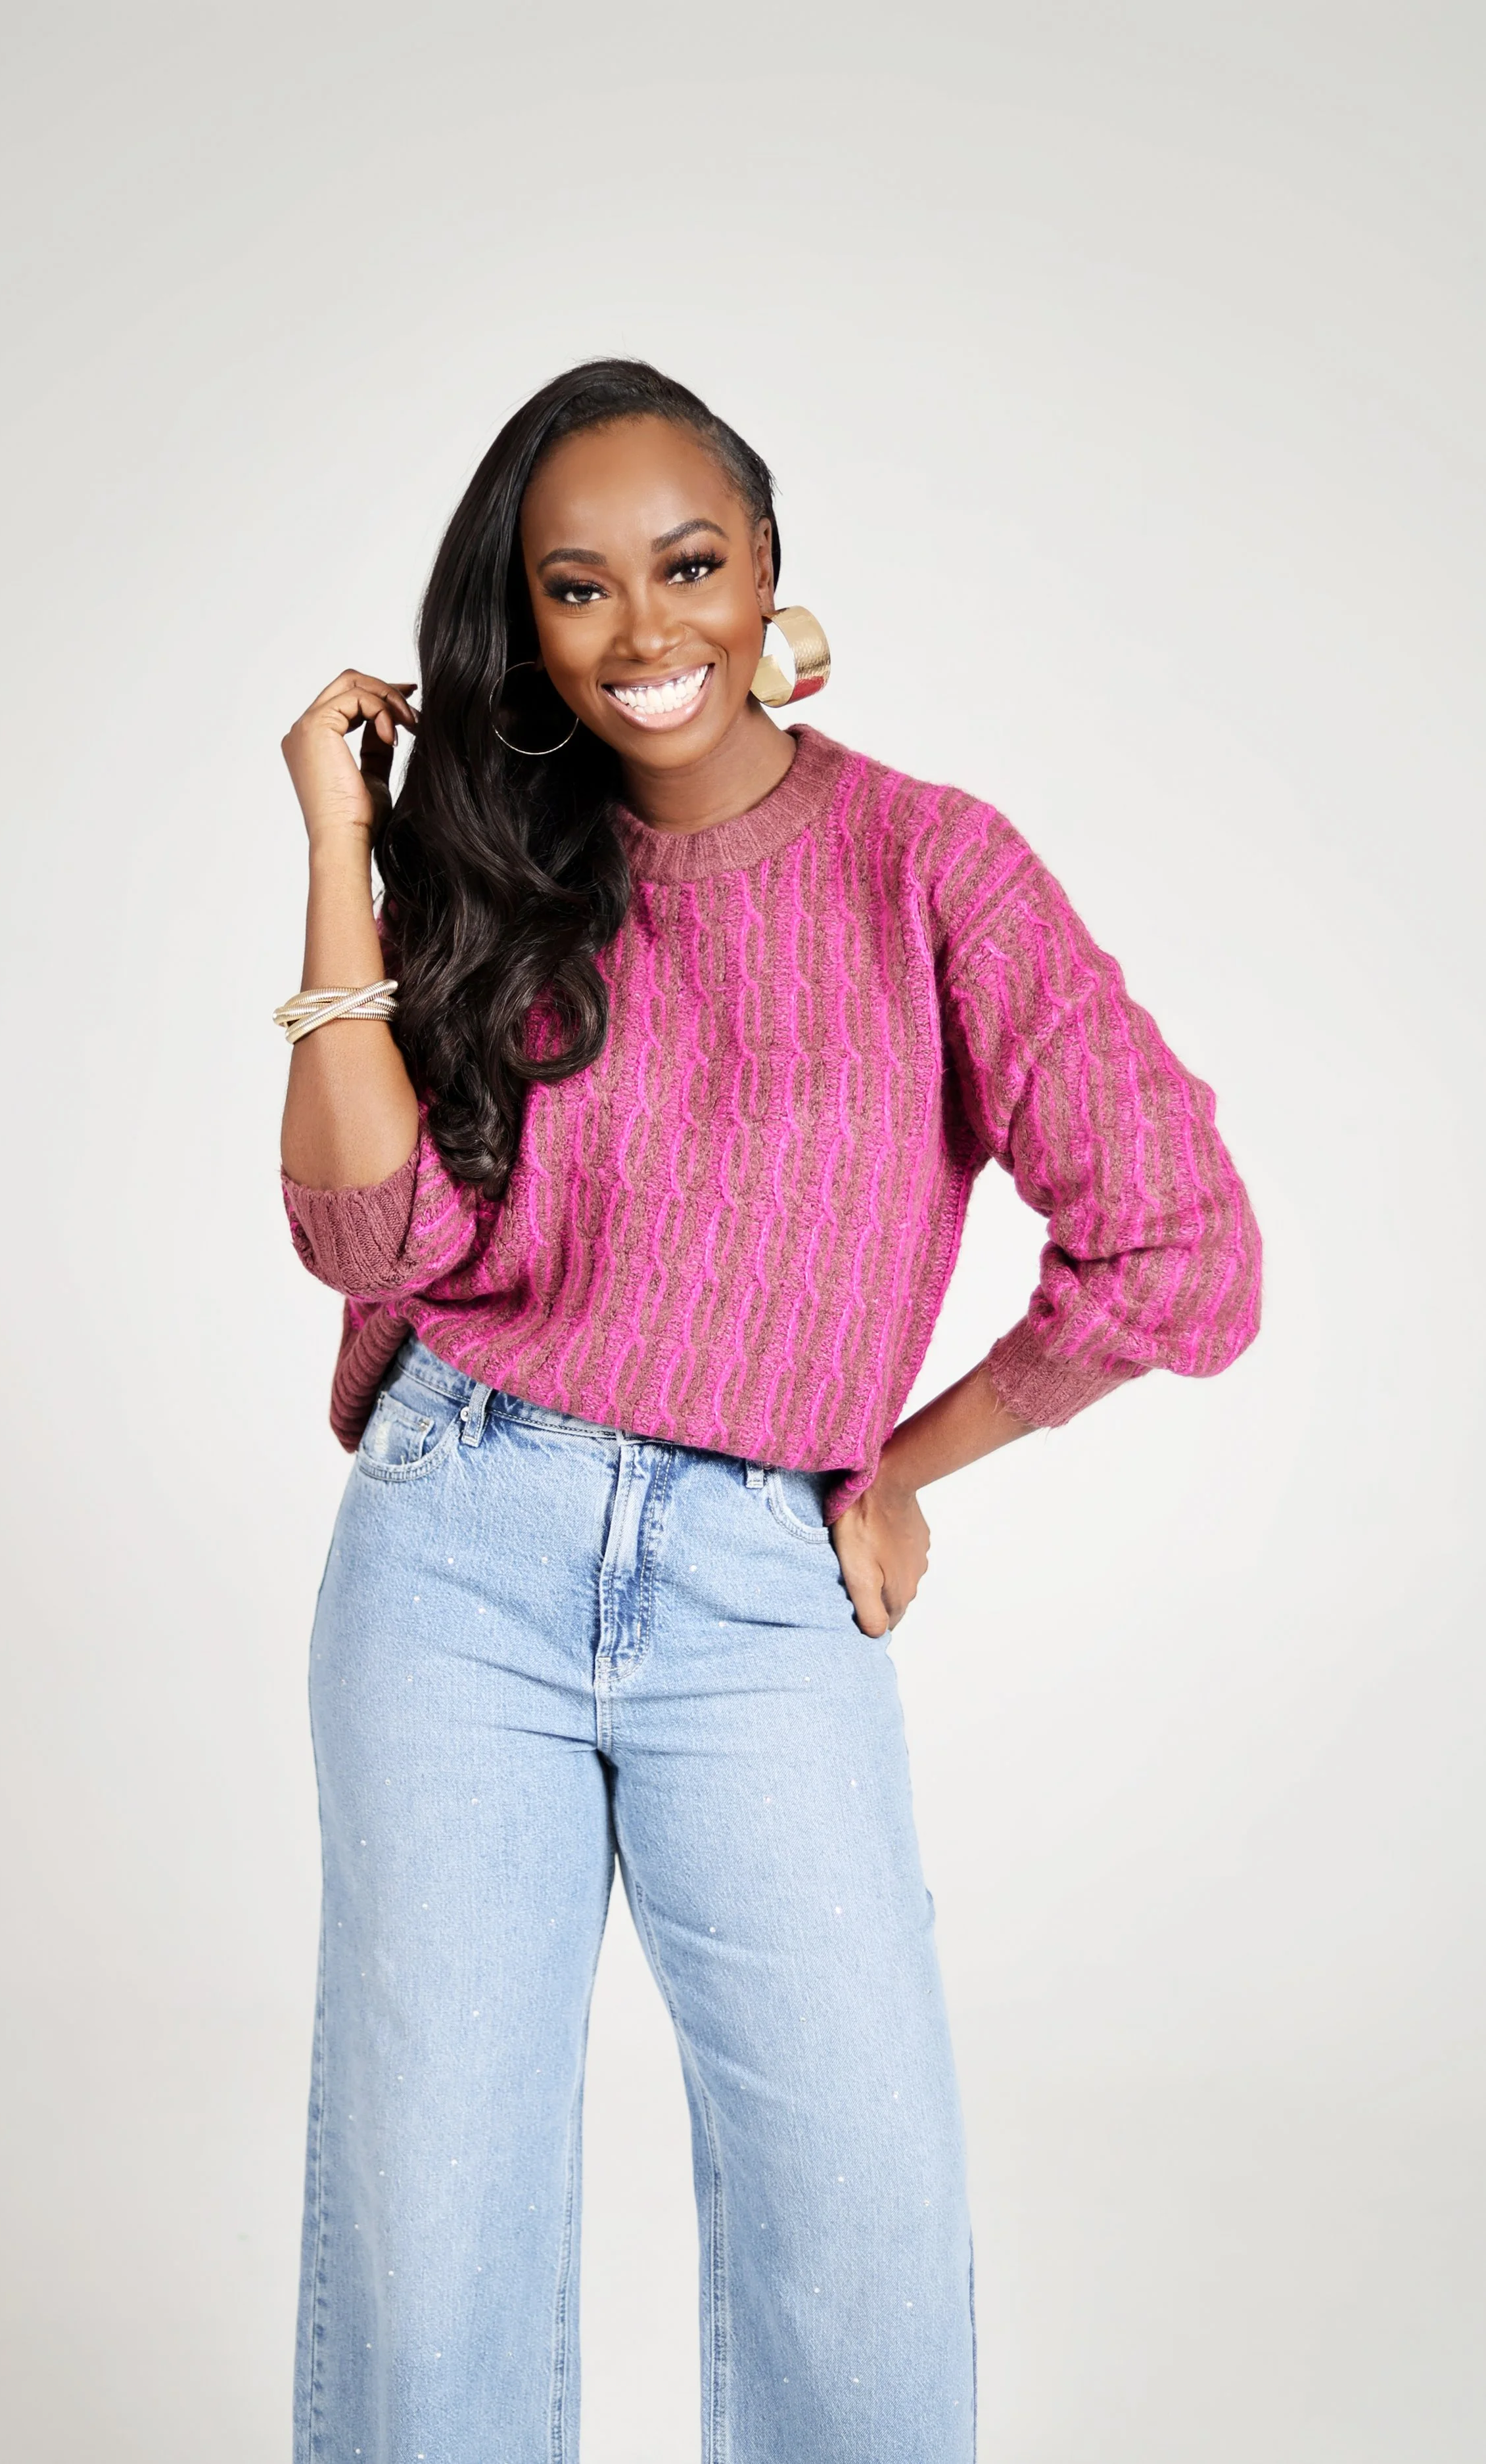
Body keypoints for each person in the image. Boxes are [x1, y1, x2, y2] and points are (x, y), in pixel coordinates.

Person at [275, 358, 1260, 2464]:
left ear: (770, 573)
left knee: (863, 2220)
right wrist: (342, 853)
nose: (645, 633)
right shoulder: (504, 868)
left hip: (753, 1583)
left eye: (689, 565)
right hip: (457, 1548)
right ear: (519, 626)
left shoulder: (933, 871)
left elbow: (1177, 1243)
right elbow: (369, 1245)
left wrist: (901, 1462)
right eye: (577, 589)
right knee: (434, 2216)